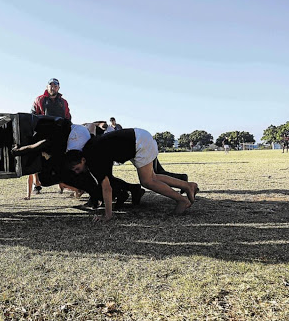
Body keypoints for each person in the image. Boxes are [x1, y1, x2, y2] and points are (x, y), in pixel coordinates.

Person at [65, 128, 199, 222]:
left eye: (77, 169)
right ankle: (188, 186)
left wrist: (107, 216)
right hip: (138, 137)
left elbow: (107, 188)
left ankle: (182, 200)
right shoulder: (88, 151)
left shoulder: (93, 160)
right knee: (153, 177)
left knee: (147, 181)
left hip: (138, 142)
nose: (78, 172)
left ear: (83, 160)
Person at [29, 78, 71, 196]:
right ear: (47, 87)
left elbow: (67, 117)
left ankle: (62, 183)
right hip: (44, 135)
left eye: (55, 86)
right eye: (51, 85)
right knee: (38, 158)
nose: (53, 87)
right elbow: (33, 116)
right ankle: (36, 185)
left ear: (58, 87)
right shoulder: (40, 99)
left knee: (60, 159)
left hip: (60, 135)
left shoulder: (63, 102)